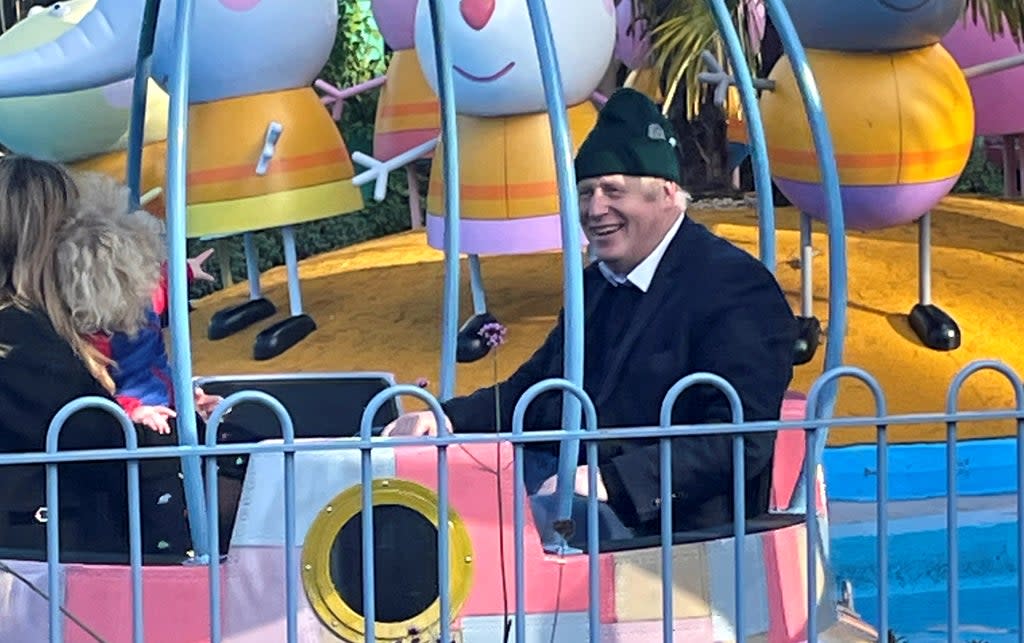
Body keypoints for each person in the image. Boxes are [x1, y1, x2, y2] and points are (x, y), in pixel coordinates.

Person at [383, 88, 798, 537]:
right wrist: (446, 419)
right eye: (586, 192)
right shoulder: (595, 284)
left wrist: (613, 483)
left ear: (667, 194)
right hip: (579, 513)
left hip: (683, 537)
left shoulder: (733, 287)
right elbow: (539, 389)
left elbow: (739, 438)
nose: (595, 209)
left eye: (613, 191)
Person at [0, 156, 239, 561]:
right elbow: (100, 442)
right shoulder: (21, 340)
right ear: (49, 237)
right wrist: (181, 428)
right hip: (56, 563)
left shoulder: (35, 331)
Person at [69, 171, 220, 435]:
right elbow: (99, 391)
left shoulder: (147, 295)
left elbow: (162, 283)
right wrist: (133, 411)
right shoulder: (94, 336)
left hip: (168, 397)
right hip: (142, 417)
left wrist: (187, 271)